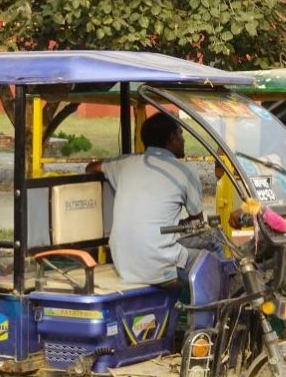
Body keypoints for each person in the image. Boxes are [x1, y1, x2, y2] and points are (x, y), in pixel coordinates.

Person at [87, 113, 206, 285]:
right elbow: (198, 223)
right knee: (213, 250)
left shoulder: (125, 164)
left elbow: (91, 168)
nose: (184, 140)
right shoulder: (183, 171)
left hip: (123, 262)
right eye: (181, 134)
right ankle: (211, 310)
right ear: (172, 137)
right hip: (159, 267)